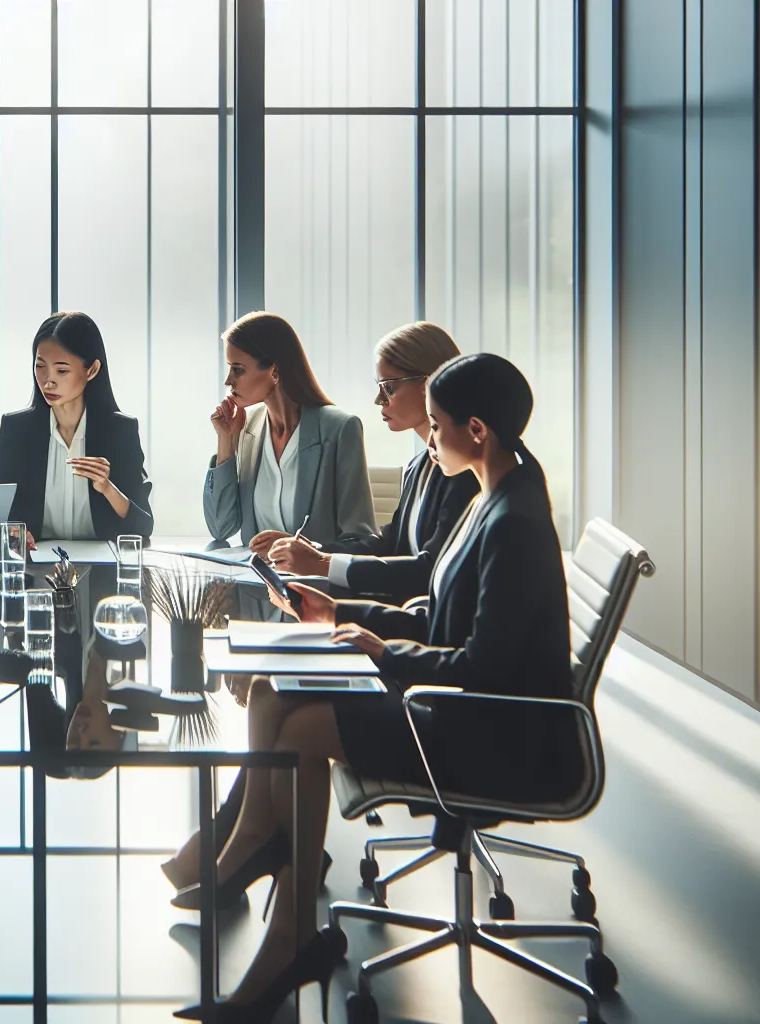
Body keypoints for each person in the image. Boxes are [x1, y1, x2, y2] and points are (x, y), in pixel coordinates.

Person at [170, 352, 582, 1023]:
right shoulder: (492, 494)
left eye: (437, 424)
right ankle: (260, 843)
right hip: (461, 702)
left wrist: (382, 649)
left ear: (476, 430)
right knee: (276, 689)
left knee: (302, 728)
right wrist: (341, 615)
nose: (428, 435)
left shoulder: (514, 524)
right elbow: (439, 612)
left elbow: (483, 666)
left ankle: (291, 932)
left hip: (493, 730)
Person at [266, 321, 480, 601]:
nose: (379, 399)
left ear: (429, 384)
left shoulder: (465, 471)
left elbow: (431, 569)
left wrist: (323, 564)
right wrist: (315, 551)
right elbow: (390, 545)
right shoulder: (418, 467)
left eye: (388, 388)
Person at [202, 312, 375, 554]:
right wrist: (226, 440)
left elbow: (360, 540)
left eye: (238, 370)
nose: (228, 381)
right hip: (254, 582)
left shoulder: (339, 430)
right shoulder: (247, 428)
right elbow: (221, 528)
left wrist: (298, 549)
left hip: (310, 586)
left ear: (274, 371)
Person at [0, 312, 154, 540]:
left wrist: (107, 488)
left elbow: (144, 526)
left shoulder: (120, 431)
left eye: (62, 370)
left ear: (92, 370)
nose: (48, 380)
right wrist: (14, 533)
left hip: (100, 572)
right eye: (40, 366)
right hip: (36, 569)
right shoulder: (16, 429)